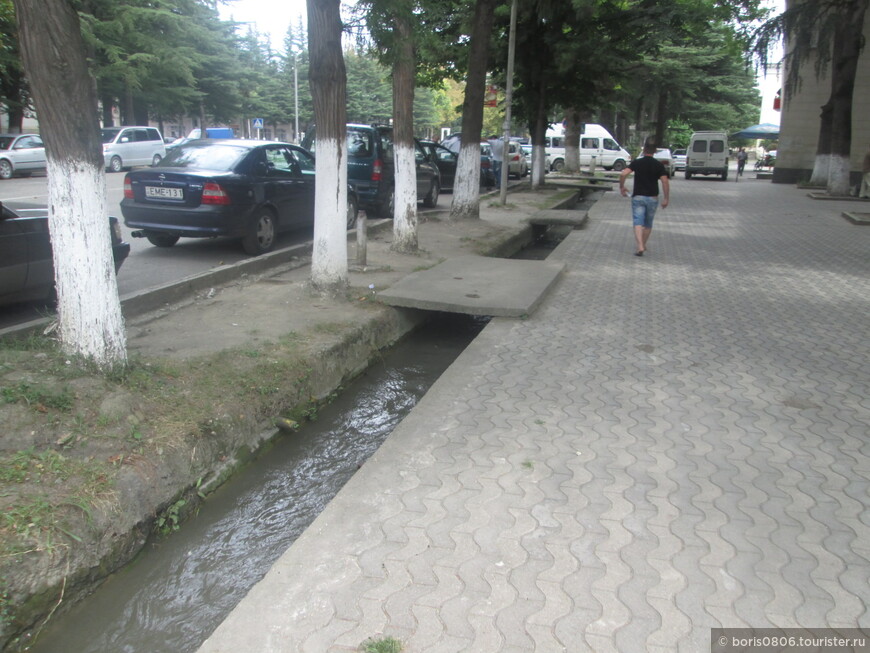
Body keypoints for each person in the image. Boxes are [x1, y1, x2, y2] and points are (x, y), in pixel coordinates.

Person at [619, 139, 670, 256]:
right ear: (655, 151)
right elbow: (665, 181)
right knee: (648, 223)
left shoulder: (637, 162)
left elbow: (623, 174)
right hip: (652, 198)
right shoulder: (659, 165)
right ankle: (643, 244)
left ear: (644, 149)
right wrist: (666, 198)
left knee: (637, 221)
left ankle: (640, 245)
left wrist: (622, 186)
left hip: (638, 197)